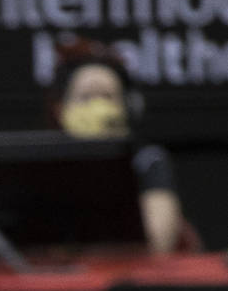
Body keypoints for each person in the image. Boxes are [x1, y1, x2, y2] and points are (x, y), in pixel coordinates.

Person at [50, 38, 189, 255]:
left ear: (127, 107)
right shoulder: (47, 166)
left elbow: (157, 243)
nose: (98, 106)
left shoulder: (146, 160)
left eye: (107, 96)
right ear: (61, 109)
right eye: (85, 98)